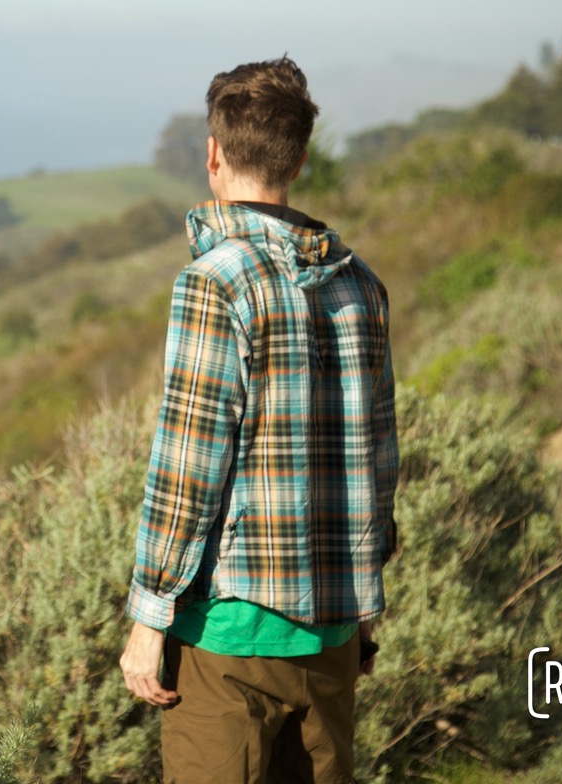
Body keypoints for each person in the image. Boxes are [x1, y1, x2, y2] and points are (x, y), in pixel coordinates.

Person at [119, 56, 399, 784]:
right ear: (300, 159)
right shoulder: (363, 286)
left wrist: (149, 620)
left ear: (212, 154)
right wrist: (363, 606)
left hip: (227, 641)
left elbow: (188, 468)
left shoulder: (213, 284)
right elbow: (379, 459)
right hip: (334, 638)